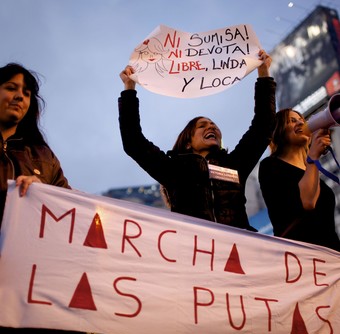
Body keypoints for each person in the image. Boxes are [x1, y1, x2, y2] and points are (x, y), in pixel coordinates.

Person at [118, 50, 276, 232]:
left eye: (214, 125)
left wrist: (264, 74)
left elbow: (263, 127)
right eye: (202, 126)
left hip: (237, 249)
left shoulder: (234, 165)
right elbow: (133, 142)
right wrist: (129, 89)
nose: (212, 127)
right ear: (187, 142)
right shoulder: (174, 171)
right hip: (196, 251)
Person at [0, 63, 86, 334]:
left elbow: (70, 209)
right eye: (10, 88)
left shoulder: (43, 157)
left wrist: (45, 195)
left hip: (29, 287)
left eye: (26, 93)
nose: (19, 97)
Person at [258, 108, 340, 251]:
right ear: (279, 130)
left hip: (332, 257)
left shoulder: (310, 170)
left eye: (302, 120)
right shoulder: (270, 166)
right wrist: (313, 155)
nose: (300, 123)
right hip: (303, 257)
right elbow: (308, 202)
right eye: (292, 121)